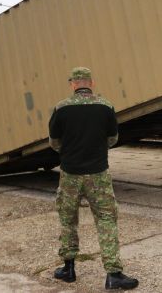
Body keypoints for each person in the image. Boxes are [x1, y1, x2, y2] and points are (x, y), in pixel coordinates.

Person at [49, 67, 138, 290]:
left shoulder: (61, 108)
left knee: (68, 219)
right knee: (106, 219)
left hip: (70, 174)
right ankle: (113, 274)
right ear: (91, 83)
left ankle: (68, 269)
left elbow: (54, 142)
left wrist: (71, 152)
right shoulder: (106, 106)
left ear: (73, 84)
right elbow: (113, 138)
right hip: (98, 173)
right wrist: (95, 148)